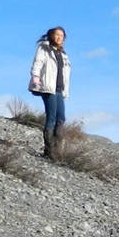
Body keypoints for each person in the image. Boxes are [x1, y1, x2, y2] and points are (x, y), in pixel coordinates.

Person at [29, 26, 71, 158]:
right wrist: (35, 77)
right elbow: (38, 63)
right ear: (51, 36)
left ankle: (57, 150)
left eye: (62, 35)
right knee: (51, 117)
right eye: (57, 35)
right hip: (47, 87)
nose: (60, 37)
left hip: (59, 89)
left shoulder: (63, 54)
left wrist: (65, 90)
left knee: (61, 119)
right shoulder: (44, 48)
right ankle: (49, 151)